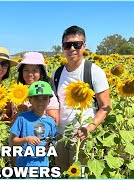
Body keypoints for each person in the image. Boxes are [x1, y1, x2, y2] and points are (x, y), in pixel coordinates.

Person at [51, 25, 111, 172]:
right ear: (63, 48)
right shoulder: (56, 74)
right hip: (60, 136)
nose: (72, 48)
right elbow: (53, 104)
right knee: (62, 173)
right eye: (67, 45)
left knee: (80, 173)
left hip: (82, 136)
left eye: (76, 44)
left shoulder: (94, 72)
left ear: (84, 46)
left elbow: (106, 106)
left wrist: (89, 128)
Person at [10, 81, 57, 168]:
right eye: (36, 99)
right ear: (30, 100)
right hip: (23, 166)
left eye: (44, 99)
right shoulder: (22, 118)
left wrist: (50, 145)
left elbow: (53, 141)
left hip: (42, 166)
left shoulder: (50, 122)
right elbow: (13, 141)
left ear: (49, 101)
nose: (40, 102)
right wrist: (26, 139)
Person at [13, 51, 59, 125]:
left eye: (35, 70)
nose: (30, 74)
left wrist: (30, 113)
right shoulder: (16, 91)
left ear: (41, 73)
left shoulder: (47, 92)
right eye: (26, 70)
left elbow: (54, 121)